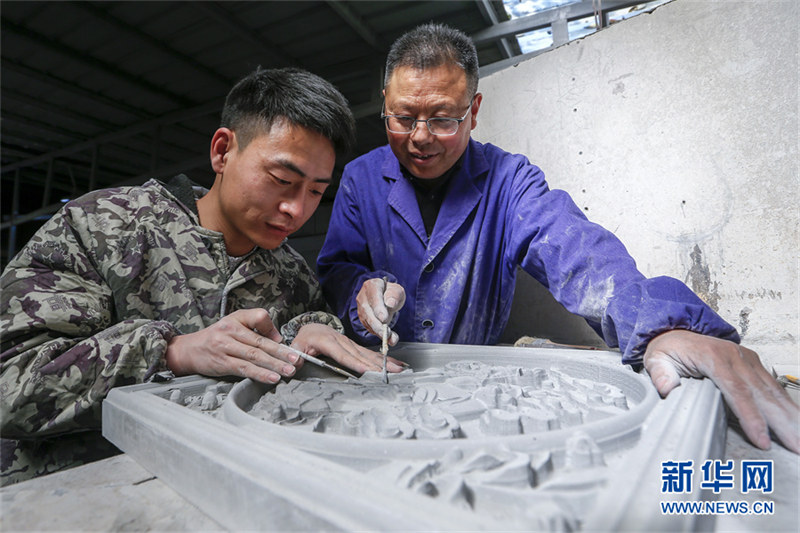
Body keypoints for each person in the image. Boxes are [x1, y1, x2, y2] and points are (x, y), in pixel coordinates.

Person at [317, 24, 799, 454]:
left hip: (473, 386)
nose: (420, 137)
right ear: (384, 103)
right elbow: (338, 270)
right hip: (380, 375)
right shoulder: (360, 178)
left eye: (443, 119)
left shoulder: (509, 179)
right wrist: (363, 291)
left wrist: (659, 325)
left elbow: (577, 252)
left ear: (475, 110)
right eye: (402, 118)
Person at [0, 67, 404, 485]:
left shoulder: (292, 275)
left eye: (316, 192)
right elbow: (9, 386)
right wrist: (171, 352)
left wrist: (307, 340)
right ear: (223, 151)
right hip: (77, 496)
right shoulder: (102, 227)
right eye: (282, 180)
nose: (297, 210)